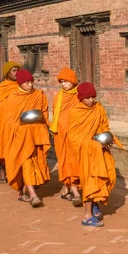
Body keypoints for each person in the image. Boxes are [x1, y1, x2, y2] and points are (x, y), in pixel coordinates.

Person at [67, 83, 122, 227]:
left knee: (108, 176)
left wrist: (107, 139)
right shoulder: (75, 112)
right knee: (90, 182)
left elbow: (104, 126)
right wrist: (91, 144)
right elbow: (73, 137)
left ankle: (96, 203)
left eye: (93, 97)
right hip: (86, 153)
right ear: (81, 98)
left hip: (100, 151)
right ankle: (87, 216)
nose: (91, 100)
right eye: (88, 98)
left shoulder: (98, 108)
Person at [3, 69, 51, 207]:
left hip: (36, 135)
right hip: (21, 137)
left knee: (34, 163)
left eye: (31, 82)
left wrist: (47, 124)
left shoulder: (38, 95)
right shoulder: (13, 98)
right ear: (20, 83)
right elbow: (9, 121)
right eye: (26, 83)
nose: (30, 85)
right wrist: (20, 127)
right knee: (26, 162)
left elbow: (44, 113)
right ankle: (33, 195)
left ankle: (23, 192)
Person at [50, 68, 81, 203]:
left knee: (73, 161)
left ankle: (66, 189)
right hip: (61, 134)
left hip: (75, 134)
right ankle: (75, 192)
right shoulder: (58, 96)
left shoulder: (79, 95)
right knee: (65, 161)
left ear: (73, 81)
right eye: (61, 82)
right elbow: (55, 112)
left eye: (66, 81)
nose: (63, 84)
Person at [0, 61, 21, 184]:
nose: (16, 73)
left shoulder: (22, 85)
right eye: (13, 71)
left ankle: (22, 175)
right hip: (5, 121)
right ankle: (2, 171)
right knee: (5, 145)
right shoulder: (0, 88)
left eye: (17, 70)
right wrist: (12, 102)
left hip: (19, 121)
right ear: (7, 73)